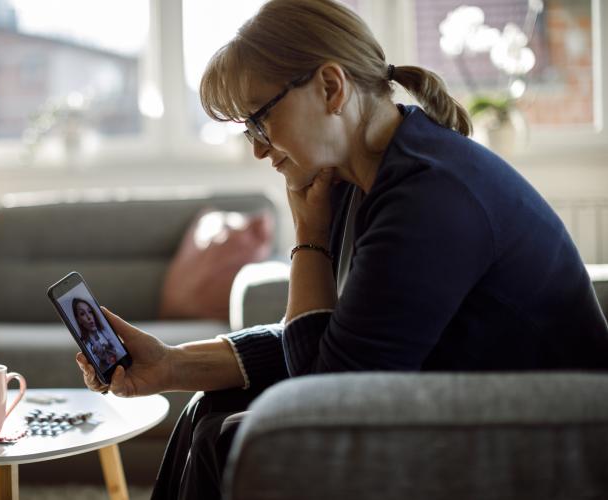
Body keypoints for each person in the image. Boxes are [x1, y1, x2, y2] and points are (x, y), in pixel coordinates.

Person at [75, 0, 608, 498]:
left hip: (536, 429)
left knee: (226, 437)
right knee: (205, 412)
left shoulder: (429, 196)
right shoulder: (360, 179)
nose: (258, 149)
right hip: (446, 398)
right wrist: (170, 366)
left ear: (331, 87)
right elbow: (337, 340)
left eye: (259, 121)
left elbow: (323, 406)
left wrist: (308, 234)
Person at [72, 298, 116, 372]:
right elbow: (99, 370)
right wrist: (102, 360)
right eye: (82, 314)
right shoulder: (86, 346)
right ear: (79, 320)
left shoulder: (105, 331)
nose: (89, 317)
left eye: (90, 311)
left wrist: (112, 348)